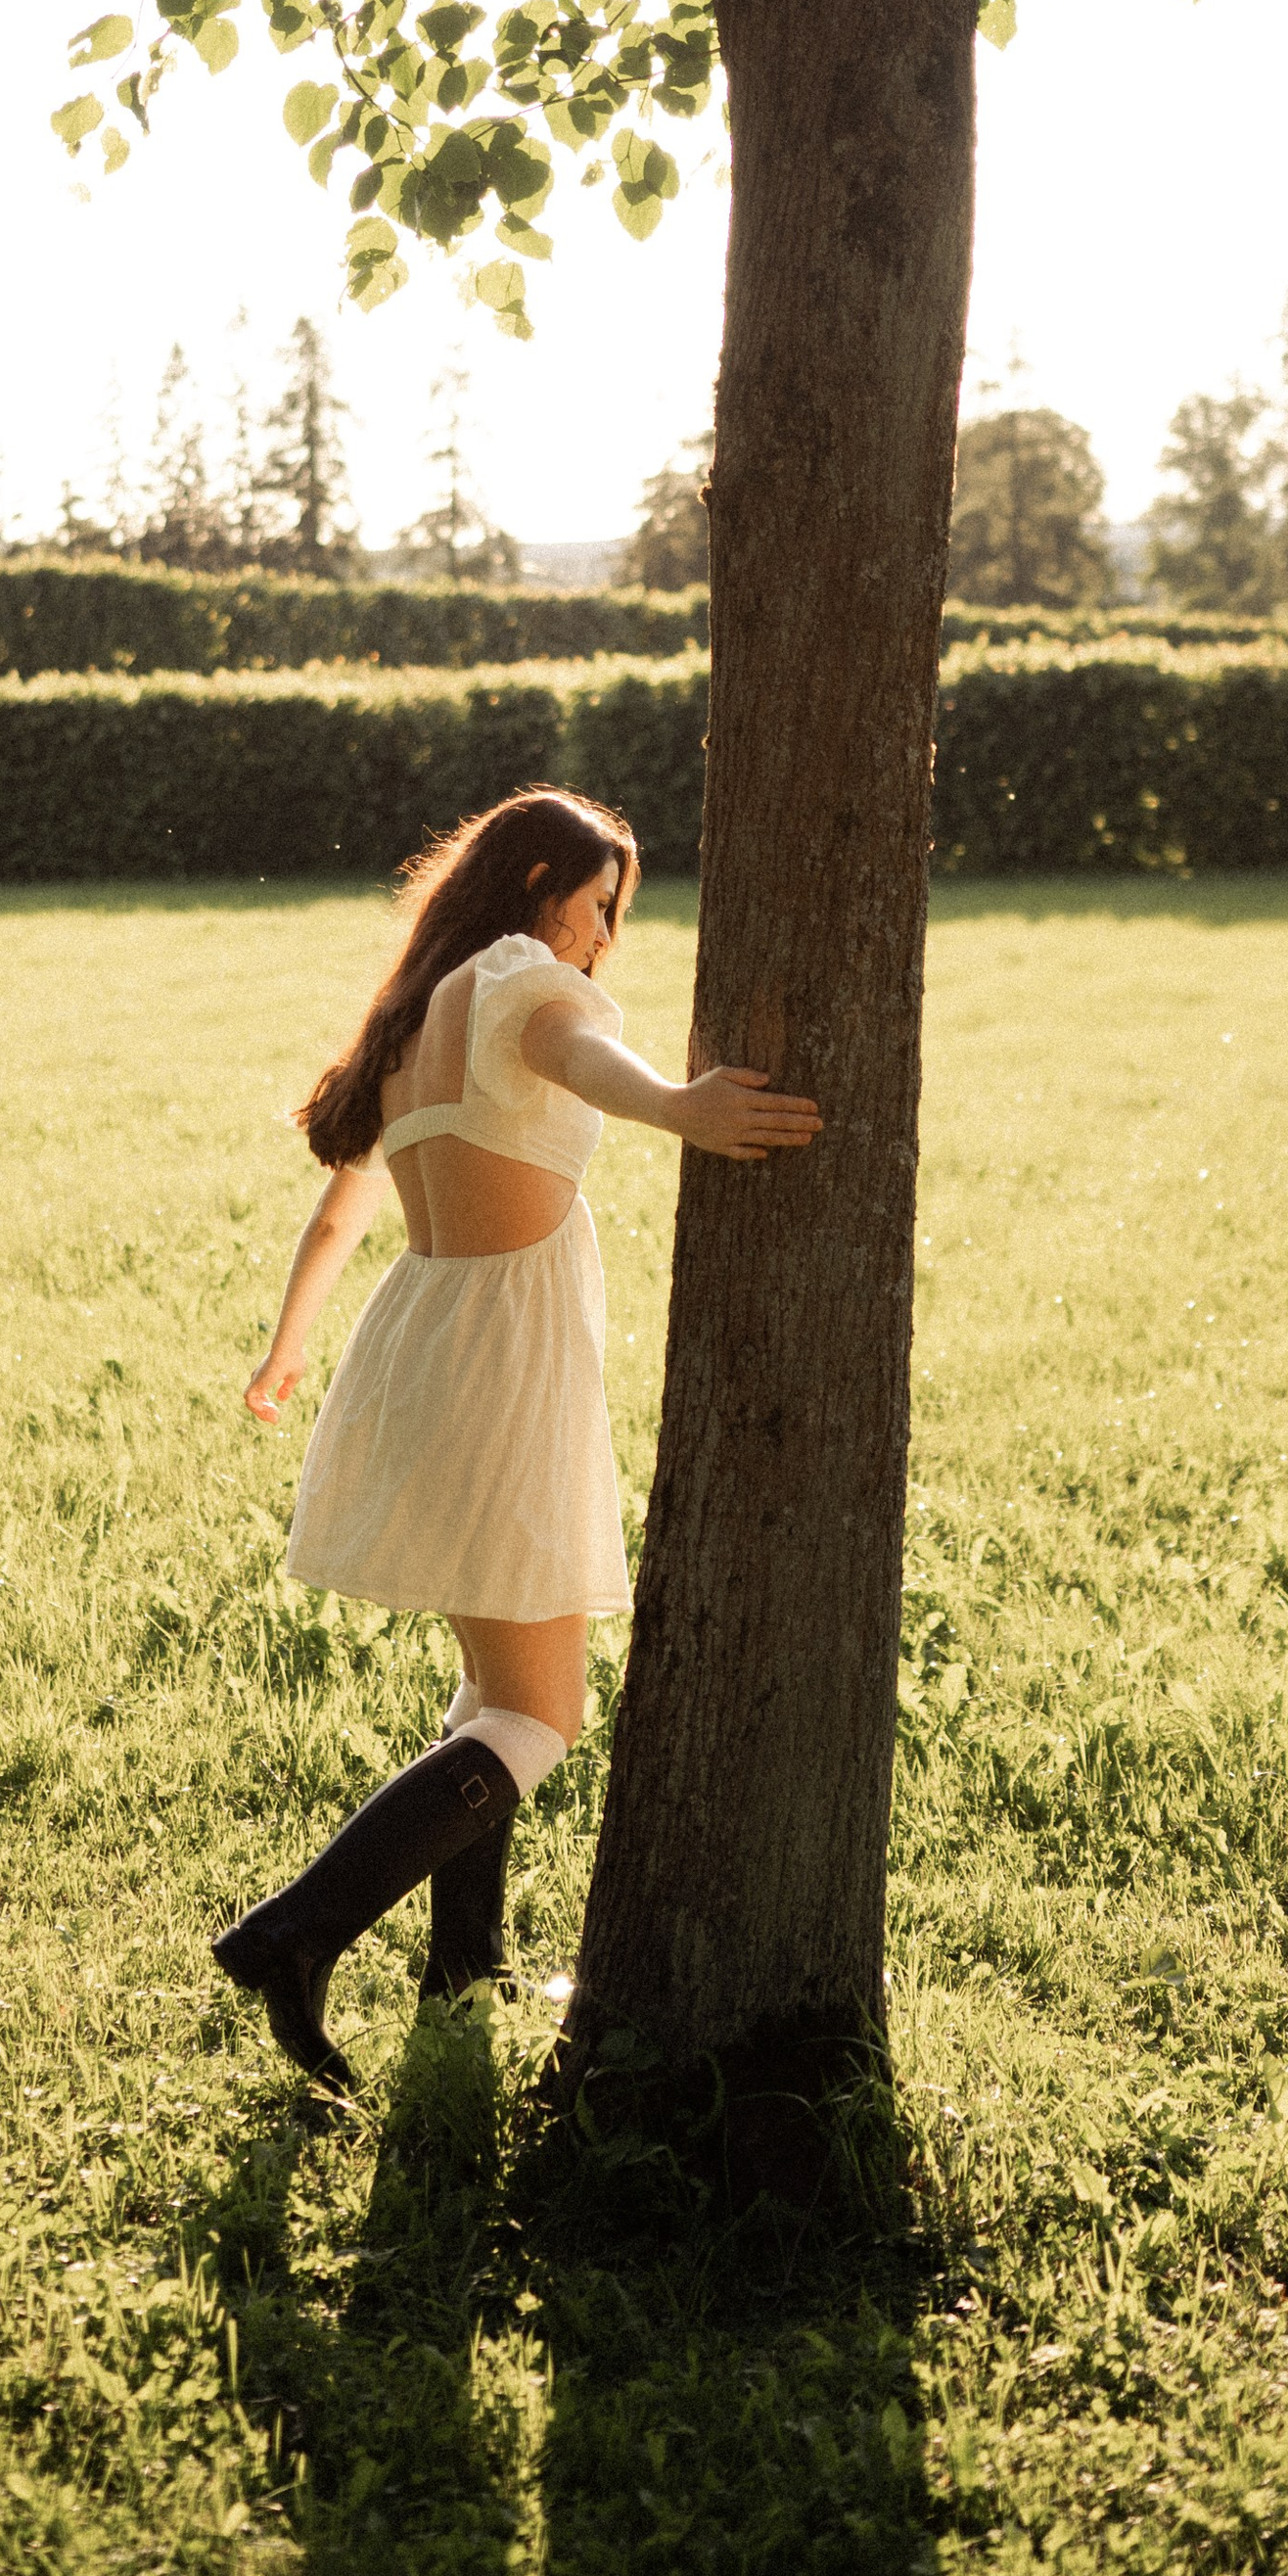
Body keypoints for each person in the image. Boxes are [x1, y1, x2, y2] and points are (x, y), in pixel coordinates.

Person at [216, 784, 822, 2091]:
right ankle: (296, 1930)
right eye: (601, 906)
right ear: (542, 881)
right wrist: (680, 1106)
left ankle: (465, 1965)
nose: (605, 939)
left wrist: (285, 1348)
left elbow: (336, 1222)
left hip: (420, 1341)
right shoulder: (515, 980)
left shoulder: (411, 1021)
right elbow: (576, 1053)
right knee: (545, 1712)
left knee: (494, 1689)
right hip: (500, 1357)